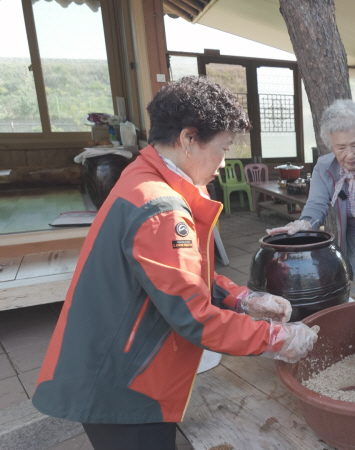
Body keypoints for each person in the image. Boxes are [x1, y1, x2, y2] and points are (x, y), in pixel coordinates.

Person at [32, 77, 319, 450]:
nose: (224, 160)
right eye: (223, 147)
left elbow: (175, 276)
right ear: (188, 139)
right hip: (123, 384)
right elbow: (194, 317)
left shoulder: (140, 177)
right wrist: (277, 337)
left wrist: (242, 299)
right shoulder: (162, 210)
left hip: (105, 362)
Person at [267, 99, 355, 296]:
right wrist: (305, 224)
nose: (350, 155)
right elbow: (317, 204)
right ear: (330, 145)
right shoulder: (325, 168)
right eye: (341, 148)